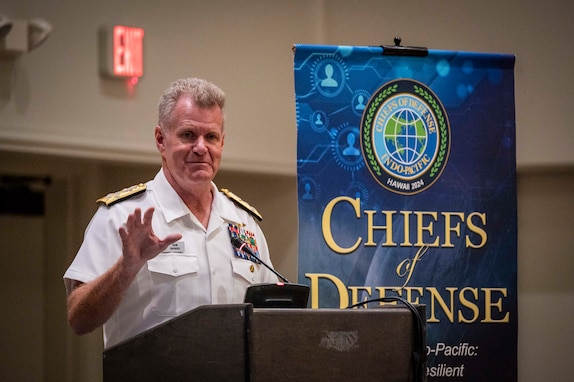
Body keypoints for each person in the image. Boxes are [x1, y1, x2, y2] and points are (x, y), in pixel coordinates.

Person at [63, 77, 278, 349]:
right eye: (188, 135)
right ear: (161, 140)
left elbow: (270, 319)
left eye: (211, 137)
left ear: (222, 143)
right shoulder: (122, 216)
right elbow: (78, 319)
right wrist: (125, 268)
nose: (201, 148)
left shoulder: (244, 223)